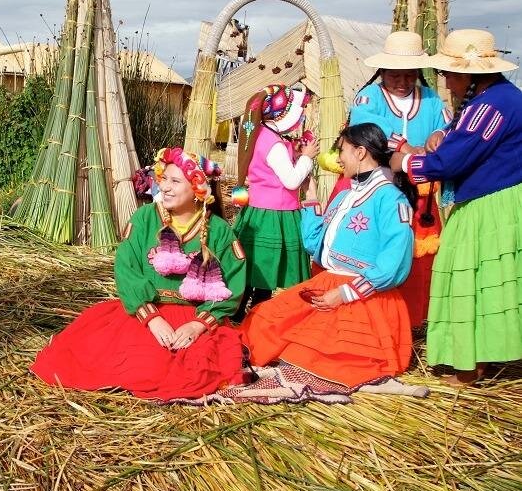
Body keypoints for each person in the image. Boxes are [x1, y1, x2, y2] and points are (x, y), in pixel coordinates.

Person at [223, 123, 426, 404]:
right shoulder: (346, 195)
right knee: (263, 320)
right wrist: (310, 197)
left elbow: (394, 265)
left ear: (360, 152)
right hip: (326, 285)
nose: (338, 158)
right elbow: (315, 245)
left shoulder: (391, 200)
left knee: (314, 355)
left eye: (341, 151)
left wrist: (343, 294)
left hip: (364, 297)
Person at [31, 147, 248, 401]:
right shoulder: (145, 218)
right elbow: (127, 267)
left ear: (198, 189)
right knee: (138, 364)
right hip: (147, 313)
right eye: (164, 179)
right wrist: (151, 318)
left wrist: (197, 325)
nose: (164, 187)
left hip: (193, 319)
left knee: (198, 369)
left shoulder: (219, 231)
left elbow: (233, 280)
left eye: (175, 181)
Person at [392, 29, 522, 386]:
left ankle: (470, 366)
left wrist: (403, 162)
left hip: (489, 204)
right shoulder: (495, 97)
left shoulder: (492, 106)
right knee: (487, 280)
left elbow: (451, 162)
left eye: (449, 73)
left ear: (470, 74)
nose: (446, 80)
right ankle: (479, 357)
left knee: (473, 280)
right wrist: (442, 135)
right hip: (495, 199)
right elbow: (463, 136)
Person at [345, 31, 451, 327]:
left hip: (420, 192)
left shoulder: (430, 99)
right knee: (379, 247)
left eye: (409, 75)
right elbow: (365, 124)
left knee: (416, 253)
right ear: (383, 71)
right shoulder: (369, 97)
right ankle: (372, 315)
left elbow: (447, 124)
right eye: (395, 75)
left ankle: (413, 317)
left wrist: (438, 135)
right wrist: (403, 146)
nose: (403, 82)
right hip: (378, 189)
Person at [231, 83, 317, 320]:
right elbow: (291, 180)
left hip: (258, 213)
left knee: (254, 272)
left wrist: (295, 153)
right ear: (283, 114)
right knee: (265, 275)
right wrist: (307, 158)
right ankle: (254, 321)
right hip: (274, 217)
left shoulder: (260, 135)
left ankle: (238, 319)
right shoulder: (274, 144)